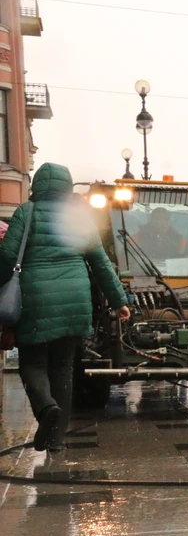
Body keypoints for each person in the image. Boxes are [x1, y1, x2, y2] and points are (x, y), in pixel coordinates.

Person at [0, 163, 131, 452]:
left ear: (37, 186)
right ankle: (56, 440)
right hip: (75, 300)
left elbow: (7, 257)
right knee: (63, 368)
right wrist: (119, 300)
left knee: (32, 363)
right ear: (67, 188)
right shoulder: (79, 217)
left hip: (35, 300)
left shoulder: (26, 212)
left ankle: (47, 409)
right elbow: (100, 263)